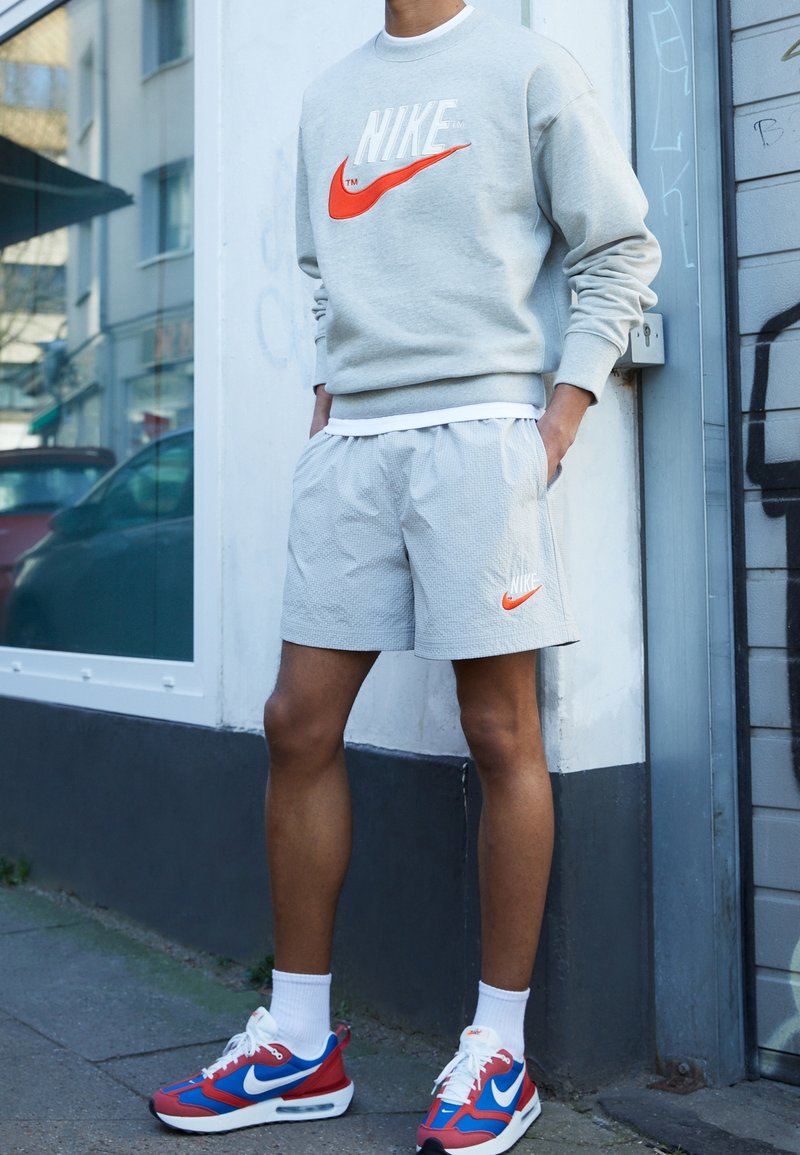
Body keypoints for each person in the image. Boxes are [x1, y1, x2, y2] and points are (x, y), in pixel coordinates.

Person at [149, 2, 661, 1152]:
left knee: (497, 731)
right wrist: (327, 397)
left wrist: (561, 413)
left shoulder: (528, 65)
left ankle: (496, 1052)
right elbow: (320, 266)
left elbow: (618, 243)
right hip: (353, 446)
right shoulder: (331, 93)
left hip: (483, 430)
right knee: (295, 722)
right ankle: (297, 1041)